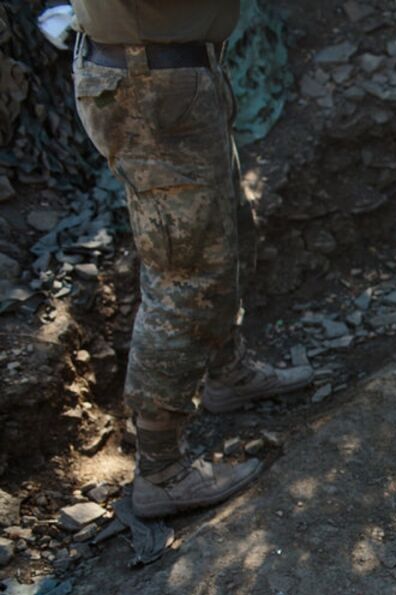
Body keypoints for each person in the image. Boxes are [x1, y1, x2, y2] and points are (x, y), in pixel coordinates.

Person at [70, 1, 313, 518]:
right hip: (152, 82)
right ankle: (160, 470)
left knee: (227, 235)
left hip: (174, 74)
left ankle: (226, 371)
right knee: (186, 276)